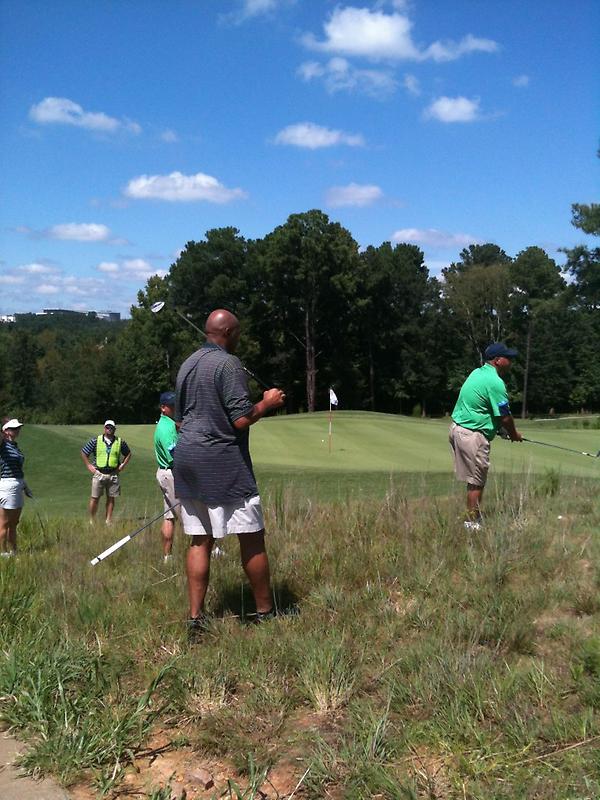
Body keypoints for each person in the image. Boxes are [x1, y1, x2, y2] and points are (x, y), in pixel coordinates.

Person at [173, 309, 285, 634]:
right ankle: (265, 613)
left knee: (200, 539)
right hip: (222, 462)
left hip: (187, 457)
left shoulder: (187, 364)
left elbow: (179, 420)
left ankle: (196, 619)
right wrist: (268, 402)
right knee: (252, 536)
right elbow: (241, 418)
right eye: (238, 334)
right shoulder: (229, 364)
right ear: (229, 333)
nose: (239, 339)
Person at [449, 342, 523, 529]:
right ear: (498, 360)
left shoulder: (477, 373)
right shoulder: (495, 382)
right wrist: (513, 433)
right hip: (472, 435)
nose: (511, 361)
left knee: (474, 480)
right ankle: (471, 524)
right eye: (508, 358)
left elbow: (481, 408)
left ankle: (472, 518)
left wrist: (498, 429)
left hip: (459, 429)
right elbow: (505, 416)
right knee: (477, 482)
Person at [81, 420, 131, 524]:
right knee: (95, 498)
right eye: (107, 427)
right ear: (104, 428)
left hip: (113, 474)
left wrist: (122, 465)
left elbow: (128, 454)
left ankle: (108, 520)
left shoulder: (120, 442)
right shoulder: (95, 440)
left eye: (111, 427)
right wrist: (88, 465)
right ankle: (92, 520)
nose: (109, 429)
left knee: (111, 498)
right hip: (99, 473)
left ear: (114, 429)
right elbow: (84, 452)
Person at [154, 391, 179, 562]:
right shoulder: (167, 428)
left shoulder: (168, 423)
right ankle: (210, 550)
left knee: (169, 516)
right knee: (189, 516)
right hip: (172, 474)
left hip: (165, 473)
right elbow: (175, 455)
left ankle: (167, 557)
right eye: (172, 406)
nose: (175, 408)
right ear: (163, 408)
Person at [0, 418, 29, 556]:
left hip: (17, 485)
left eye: (18, 428)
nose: (17, 430)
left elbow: (18, 469)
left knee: (14, 523)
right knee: (4, 522)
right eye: (13, 428)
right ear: (6, 431)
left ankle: (13, 551)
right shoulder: (3, 445)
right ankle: (3, 552)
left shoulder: (14, 446)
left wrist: (24, 485)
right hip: (7, 486)